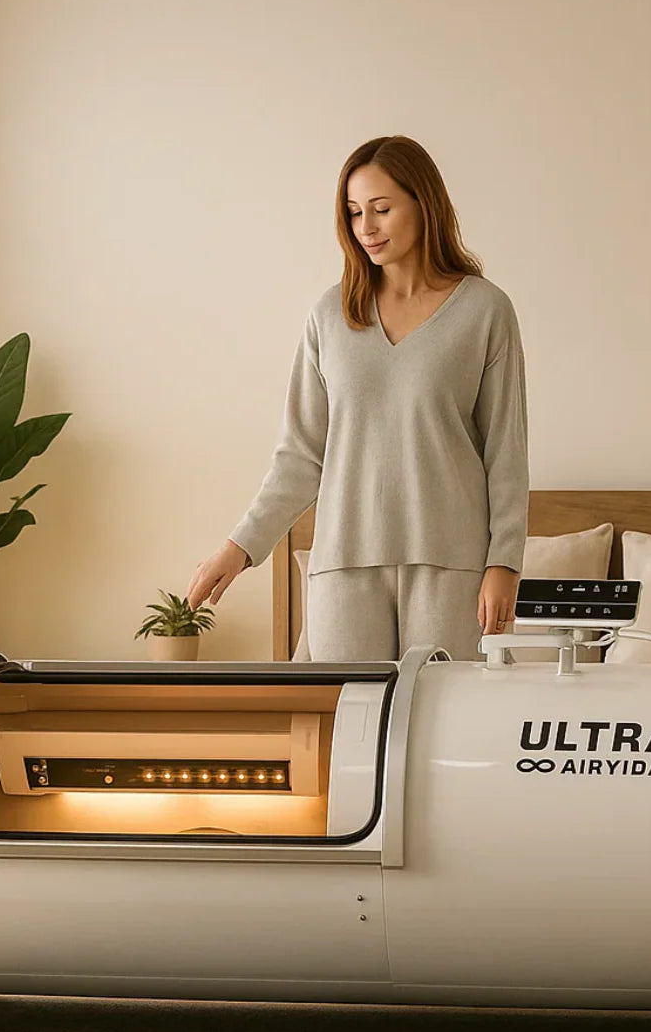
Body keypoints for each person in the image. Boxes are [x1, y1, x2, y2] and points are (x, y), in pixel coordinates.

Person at [186, 135, 528, 662]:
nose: (365, 227)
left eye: (382, 209)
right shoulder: (330, 315)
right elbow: (300, 455)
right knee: (346, 726)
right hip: (344, 563)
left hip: (451, 563)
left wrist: (504, 562)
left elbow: (505, 450)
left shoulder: (485, 310)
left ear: (424, 203)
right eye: (353, 213)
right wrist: (238, 549)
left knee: (438, 726)